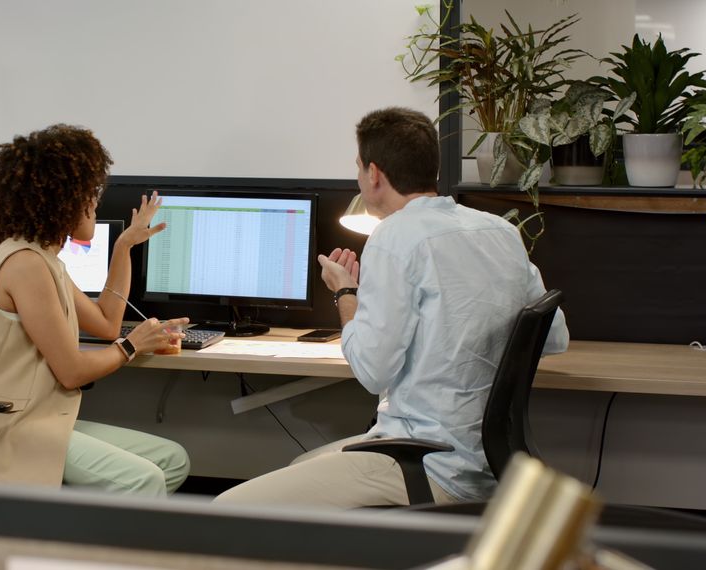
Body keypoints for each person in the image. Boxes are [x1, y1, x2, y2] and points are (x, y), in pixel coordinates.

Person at [215, 107, 569, 508]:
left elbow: (371, 371)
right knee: (304, 462)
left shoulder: (394, 238)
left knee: (226, 510)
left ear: (374, 174)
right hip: (490, 465)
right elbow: (555, 337)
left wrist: (345, 293)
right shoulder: (500, 231)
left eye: (358, 168)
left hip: (428, 462)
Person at [0, 124, 190, 496]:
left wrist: (125, 245)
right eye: (88, 196)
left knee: (173, 460)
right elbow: (72, 372)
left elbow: (108, 324)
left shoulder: (45, 260)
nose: (94, 205)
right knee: (146, 480)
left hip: (44, 419)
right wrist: (133, 346)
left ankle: (84, 540)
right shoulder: (25, 265)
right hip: (10, 430)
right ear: (61, 201)